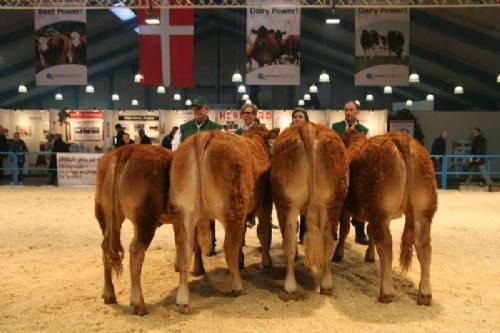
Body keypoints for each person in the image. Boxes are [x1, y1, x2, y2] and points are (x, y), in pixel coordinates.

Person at [171, 96, 222, 256]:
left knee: (210, 209)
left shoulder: (217, 128)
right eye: (194, 109)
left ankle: (210, 243)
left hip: (210, 175)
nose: (197, 111)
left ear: (207, 110)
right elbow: (175, 150)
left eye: (199, 108)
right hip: (189, 176)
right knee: (190, 210)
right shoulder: (183, 128)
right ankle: (193, 243)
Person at [331, 100, 369, 245]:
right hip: (339, 169)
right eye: (346, 110)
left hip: (357, 170)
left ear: (357, 111)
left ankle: (360, 232)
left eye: (351, 110)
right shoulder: (336, 127)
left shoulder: (364, 130)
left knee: (359, 200)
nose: (348, 112)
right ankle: (334, 230)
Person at [291, 107, 310, 244]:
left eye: (300, 117)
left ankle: (304, 233)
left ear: (306, 120)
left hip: (307, 174)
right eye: (295, 116)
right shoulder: (288, 134)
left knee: (306, 206)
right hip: (291, 175)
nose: (297, 118)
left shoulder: (311, 133)